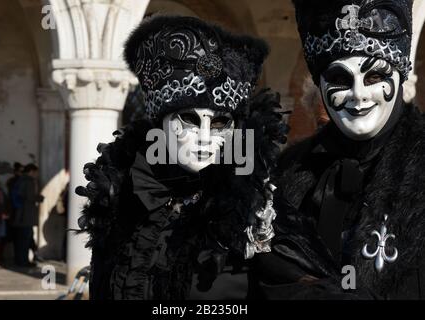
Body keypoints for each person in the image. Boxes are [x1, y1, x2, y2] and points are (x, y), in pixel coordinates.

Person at [76, 15, 288, 300]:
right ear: (160, 124)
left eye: (219, 123)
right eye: (189, 119)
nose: (204, 137)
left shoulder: (255, 211)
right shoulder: (122, 198)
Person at [249, 0, 425, 299]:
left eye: (374, 77)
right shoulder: (291, 173)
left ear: (399, 74)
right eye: (340, 79)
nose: (358, 95)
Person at [13, 163, 44, 267]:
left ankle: (19, 260)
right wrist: (40, 198)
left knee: (21, 239)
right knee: (25, 240)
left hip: (19, 214)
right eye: (36, 172)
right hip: (26, 215)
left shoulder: (20, 180)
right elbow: (30, 197)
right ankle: (24, 261)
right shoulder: (29, 181)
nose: (36, 175)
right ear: (32, 171)